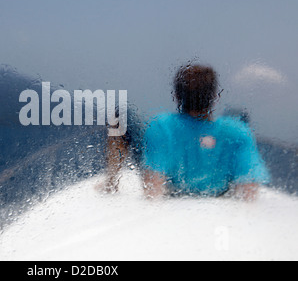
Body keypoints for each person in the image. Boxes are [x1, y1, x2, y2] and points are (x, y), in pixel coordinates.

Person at [102, 64, 270, 201]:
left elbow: (153, 188)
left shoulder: (162, 126)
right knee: (238, 115)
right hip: (219, 187)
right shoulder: (238, 131)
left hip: (176, 186)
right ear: (215, 97)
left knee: (120, 116)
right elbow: (248, 190)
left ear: (176, 96)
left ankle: (110, 183)